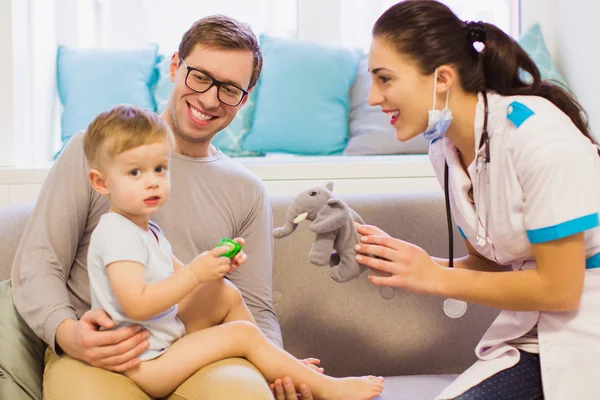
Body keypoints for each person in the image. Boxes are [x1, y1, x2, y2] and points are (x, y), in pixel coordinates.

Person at [11, 15, 316, 400]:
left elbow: (253, 306)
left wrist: (277, 368)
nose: (209, 99)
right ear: (175, 67)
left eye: (229, 89)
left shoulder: (247, 191)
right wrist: (68, 334)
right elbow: (40, 263)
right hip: (101, 352)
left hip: (201, 354)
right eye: (200, 76)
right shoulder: (94, 149)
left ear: (245, 97)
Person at [355, 1, 600, 399]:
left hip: (587, 327)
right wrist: (406, 263)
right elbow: (490, 267)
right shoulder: (445, 151)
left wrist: (434, 277)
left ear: (442, 78)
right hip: (536, 338)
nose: (372, 98)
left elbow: (561, 289)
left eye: (384, 79)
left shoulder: (538, 137)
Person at [82, 104, 384, 399]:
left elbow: (181, 279)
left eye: (160, 169)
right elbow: (137, 305)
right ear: (101, 182)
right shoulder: (116, 233)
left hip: (161, 341)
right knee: (242, 334)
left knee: (223, 291)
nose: (152, 182)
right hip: (144, 364)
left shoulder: (146, 229)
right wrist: (195, 273)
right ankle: (330, 389)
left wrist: (213, 266)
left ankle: (277, 362)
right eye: (135, 173)